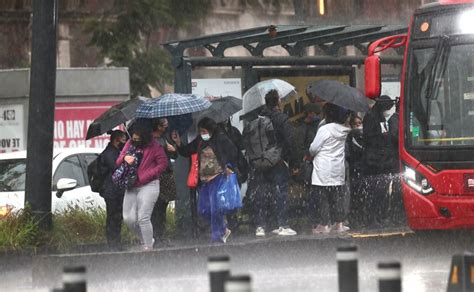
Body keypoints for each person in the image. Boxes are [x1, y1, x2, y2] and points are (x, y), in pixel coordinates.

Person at [171, 117, 238, 243]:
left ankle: (217, 236)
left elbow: (233, 152)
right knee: (203, 209)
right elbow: (187, 151)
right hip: (204, 180)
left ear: (211, 130)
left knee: (214, 208)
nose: (202, 134)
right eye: (200, 131)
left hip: (217, 177)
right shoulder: (200, 141)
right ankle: (223, 229)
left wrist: (228, 166)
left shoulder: (221, 138)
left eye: (204, 131)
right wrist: (179, 143)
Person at [250, 89, 299, 237]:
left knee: (261, 193)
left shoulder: (258, 119)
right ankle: (282, 224)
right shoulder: (281, 118)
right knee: (280, 192)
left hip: (260, 162)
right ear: (278, 101)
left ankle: (260, 226)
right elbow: (291, 141)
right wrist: (294, 163)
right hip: (277, 161)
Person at [116, 119, 168, 250]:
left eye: (138, 138)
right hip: (131, 184)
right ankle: (147, 239)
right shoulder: (129, 144)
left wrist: (146, 175)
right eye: (133, 137)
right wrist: (124, 158)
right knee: (128, 218)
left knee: (143, 217)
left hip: (149, 185)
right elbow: (118, 161)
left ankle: (148, 247)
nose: (135, 140)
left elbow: (163, 164)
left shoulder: (155, 146)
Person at [309, 103, 351, 234]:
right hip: (337, 167)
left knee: (323, 197)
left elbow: (313, 148)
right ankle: (339, 224)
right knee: (337, 196)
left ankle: (324, 224)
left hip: (323, 168)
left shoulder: (324, 129)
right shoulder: (344, 129)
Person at [362, 95, 398, 227]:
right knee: (376, 190)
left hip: (381, 159)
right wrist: (382, 137)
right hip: (375, 160)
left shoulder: (378, 116)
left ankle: (379, 215)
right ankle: (373, 216)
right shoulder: (371, 117)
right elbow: (370, 137)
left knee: (380, 190)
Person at [151, 118, 177, 245]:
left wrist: (173, 149)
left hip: (166, 175)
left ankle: (161, 234)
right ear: (158, 126)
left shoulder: (165, 138)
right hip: (157, 176)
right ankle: (156, 236)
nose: (166, 127)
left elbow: (173, 155)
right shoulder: (151, 140)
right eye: (164, 125)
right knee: (156, 207)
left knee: (163, 206)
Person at [99, 130, 127, 250]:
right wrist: (126, 160)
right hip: (111, 191)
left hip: (117, 190)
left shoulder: (117, 152)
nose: (125, 143)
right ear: (116, 140)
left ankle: (117, 242)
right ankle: (113, 243)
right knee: (113, 217)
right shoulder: (109, 153)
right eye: (123, 140)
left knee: (118, 217)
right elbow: (116, 167)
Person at [346, 115, 365, 228]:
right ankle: (355, 217)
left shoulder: (364, 136)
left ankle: (360, 216)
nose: (358, 125)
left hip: (361, 168)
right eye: (356, 123)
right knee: (355, 195)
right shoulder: (351, 136)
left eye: (360, 123)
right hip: (355, 168)